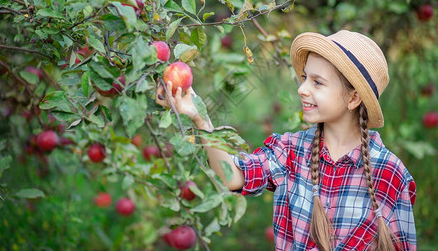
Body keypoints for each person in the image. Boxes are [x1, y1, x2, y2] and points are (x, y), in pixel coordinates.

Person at [156, 30, 417, 251]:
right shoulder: (291, 151)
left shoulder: (390, 174)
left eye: (317, 82)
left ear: (353, 99)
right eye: (305, 78)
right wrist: (201, 119)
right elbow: (232, 176)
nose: (302, 89)